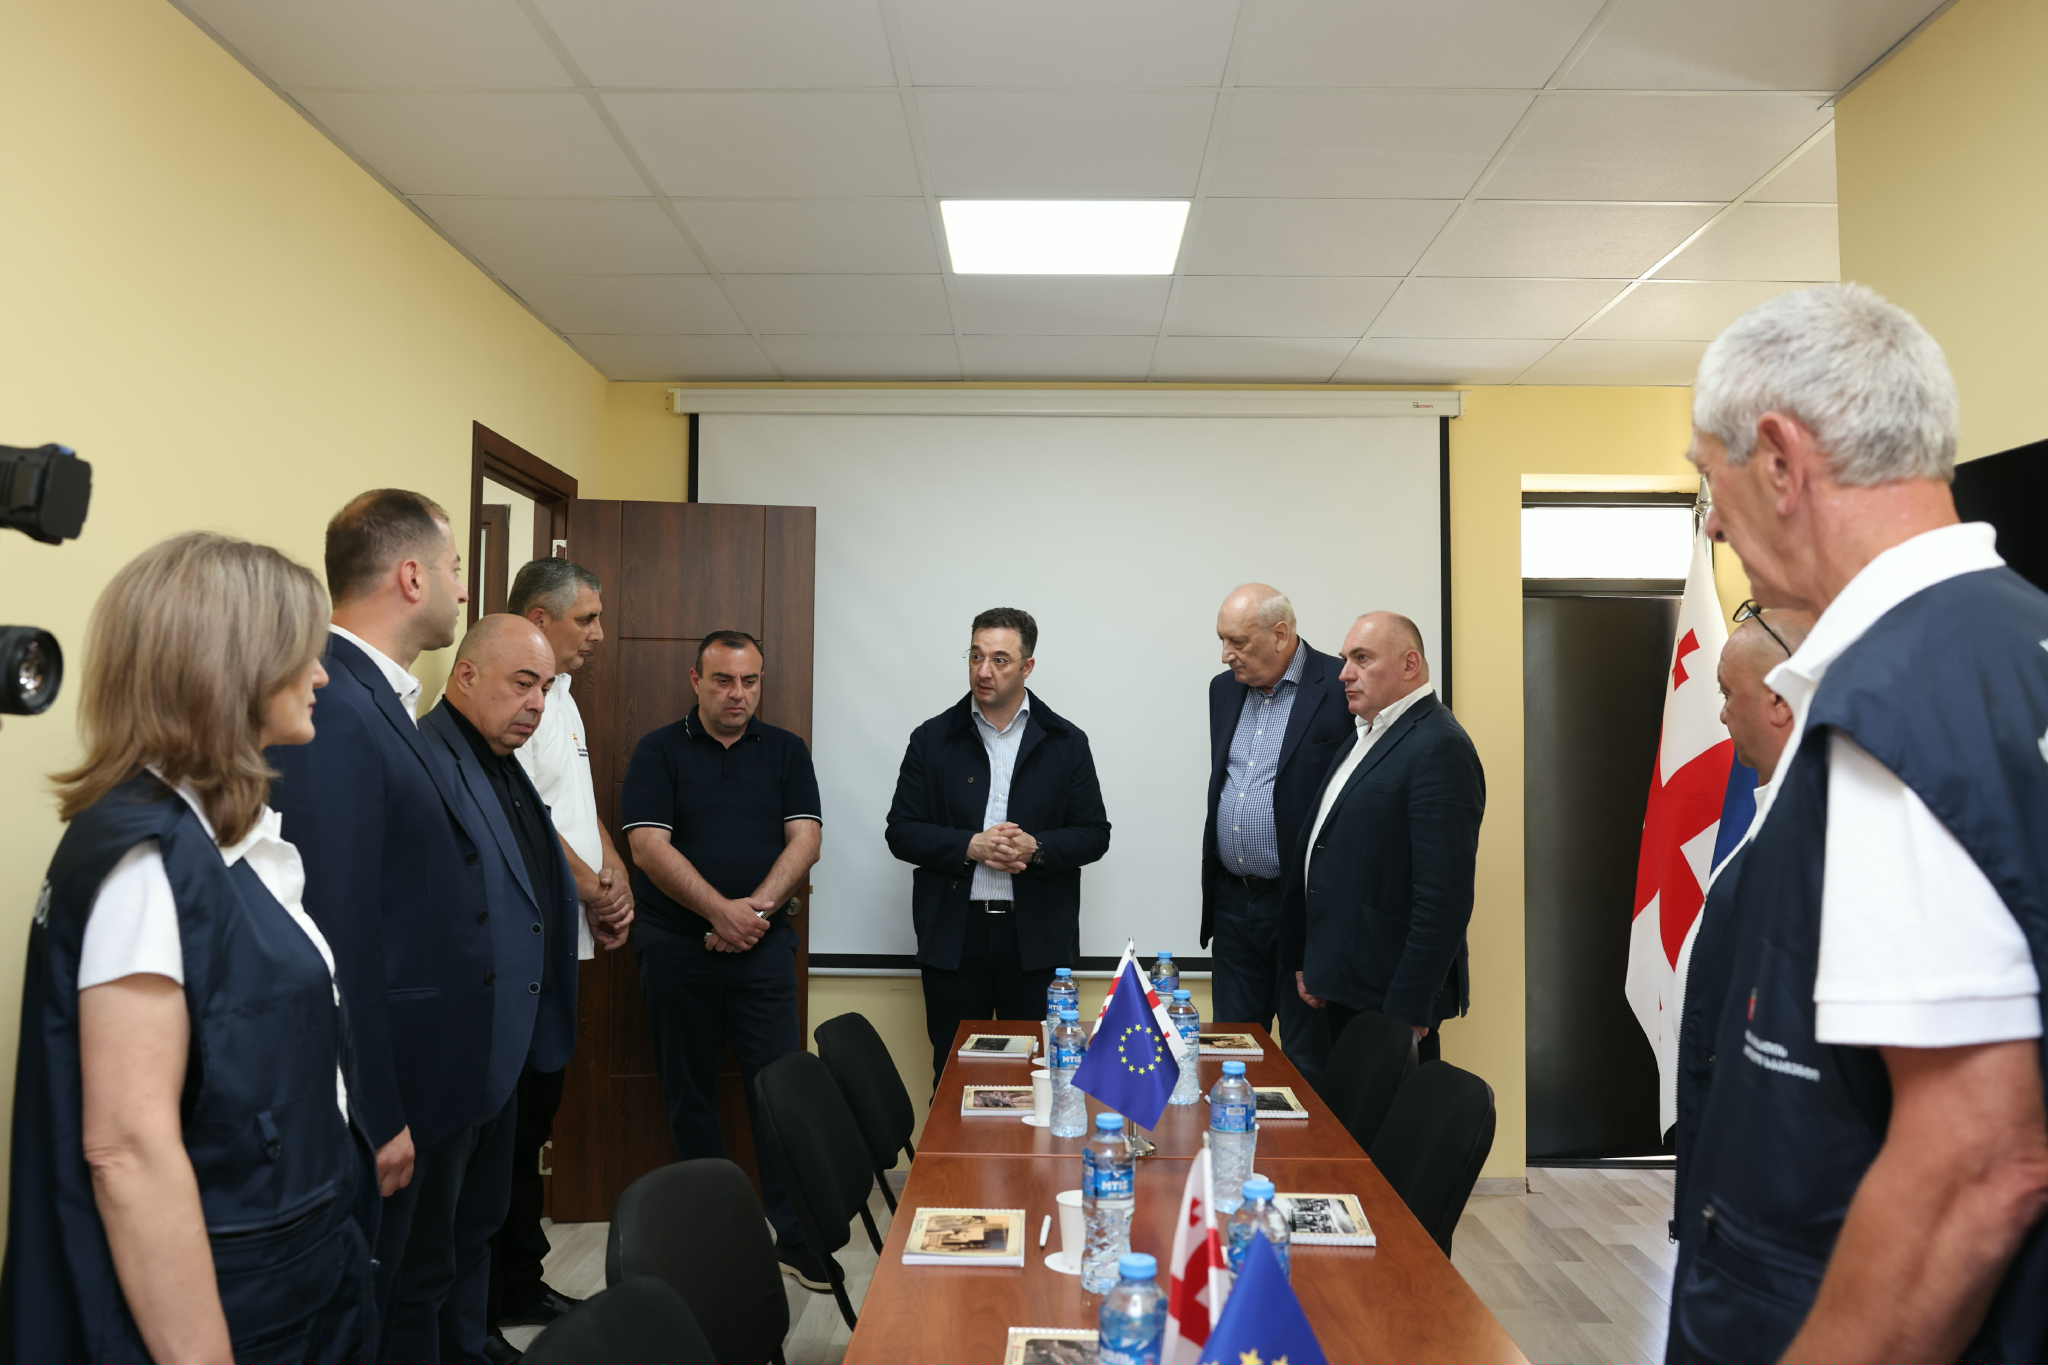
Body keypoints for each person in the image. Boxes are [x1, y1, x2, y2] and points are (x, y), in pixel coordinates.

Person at [1670, 283, 2048, 1363]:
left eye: (1709, 478)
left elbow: (1974, 1165)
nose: (1714, 522)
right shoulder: (2011, 642)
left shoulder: (1898, 701)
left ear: (1780, 460)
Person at [3, 533, 373, 1363]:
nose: (321, 675)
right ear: (233, 666)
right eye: (303, 651)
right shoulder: (146, 857)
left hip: (292, 1269)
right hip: (238, 1305)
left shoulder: (217, 838)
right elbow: (127, 1151)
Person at [267, 489, 500, 1364]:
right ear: (411, 576)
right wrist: (376, 1111)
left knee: (421, 1289)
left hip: (431, 1081)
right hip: (391, 1093)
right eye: (453, 569)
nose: (461, 589)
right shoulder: (333, 704)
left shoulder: (381, 697)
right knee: (387, 1307)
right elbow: (337, 922)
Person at [620, 630, 826, 1289]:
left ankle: (798, 1239)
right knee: (691, 1098)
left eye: (750, 681)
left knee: (779, 1096)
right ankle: (715, 1244)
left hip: (763, 951)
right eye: (723, 680)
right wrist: (718, 913)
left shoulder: (787, 750)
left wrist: (750, 915)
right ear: (696, 680)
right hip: (677, 951)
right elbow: (647, 847)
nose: (738, 693)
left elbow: (806, 840)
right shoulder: (658, 750)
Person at [416, 615, 582, 1365]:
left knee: (483, 1212)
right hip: (462, 1041)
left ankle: (476, 1335)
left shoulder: (502, 761)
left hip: (515, 1036)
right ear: (466, 674)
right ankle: (457, 1343)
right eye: (522, 683)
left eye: (544, 688)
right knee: (444, 1227)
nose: (536, 703)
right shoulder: (430, 758)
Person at [488, 559, 632, 1353]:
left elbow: (574, 806)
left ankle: (520, 1275)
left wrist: (614, 875)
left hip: (566, 936)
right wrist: (592, 890)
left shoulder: (562, 698)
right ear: (539, 618)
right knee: (513, 1128)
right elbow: (528, 823)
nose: (600, 633)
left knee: (538, 1114)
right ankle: (496, 1288)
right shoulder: (519, 702)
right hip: (530, 945)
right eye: (587, 618)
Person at [885, 607, 1112, 1088]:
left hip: (1036, 942)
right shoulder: (932, 738)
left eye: (1000, 660)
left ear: (1028, 667)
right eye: (976, 656)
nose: (983, 671)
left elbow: (1095, 834)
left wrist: (1036, 847)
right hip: (955, 938)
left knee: (1039, 1074)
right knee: (953, 1074)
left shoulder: (1066, 741)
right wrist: (970, 845)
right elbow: (901, 831)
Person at [1284, 612, 1485, 1071]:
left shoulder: (1439, 745)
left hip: (1388, 999)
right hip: (1342, 986)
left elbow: (1444, 895)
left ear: (1410, 664)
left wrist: (1409, 1007)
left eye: (1362, 659)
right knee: (1340, 1114)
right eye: (1345, 659)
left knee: (1387, 1118)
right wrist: (1312, 962)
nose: (1344, 673)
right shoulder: (1367, 735)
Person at [1668, 603, 1812, 1235]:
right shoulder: (1768, 811)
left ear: (1779, 701)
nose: (1722, 714)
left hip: (1762, 1185)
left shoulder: (1812, 832)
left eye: (1730, 694)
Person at [1202, 583, 1351, 1063]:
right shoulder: (1223, 690)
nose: (1226, 655)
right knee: (1231, 1052)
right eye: (1222, 640)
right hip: (1234, 904)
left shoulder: (1338, 686)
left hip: (1302, 906)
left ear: (1281, 635)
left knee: (1309, 1059)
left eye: (1238, 642)